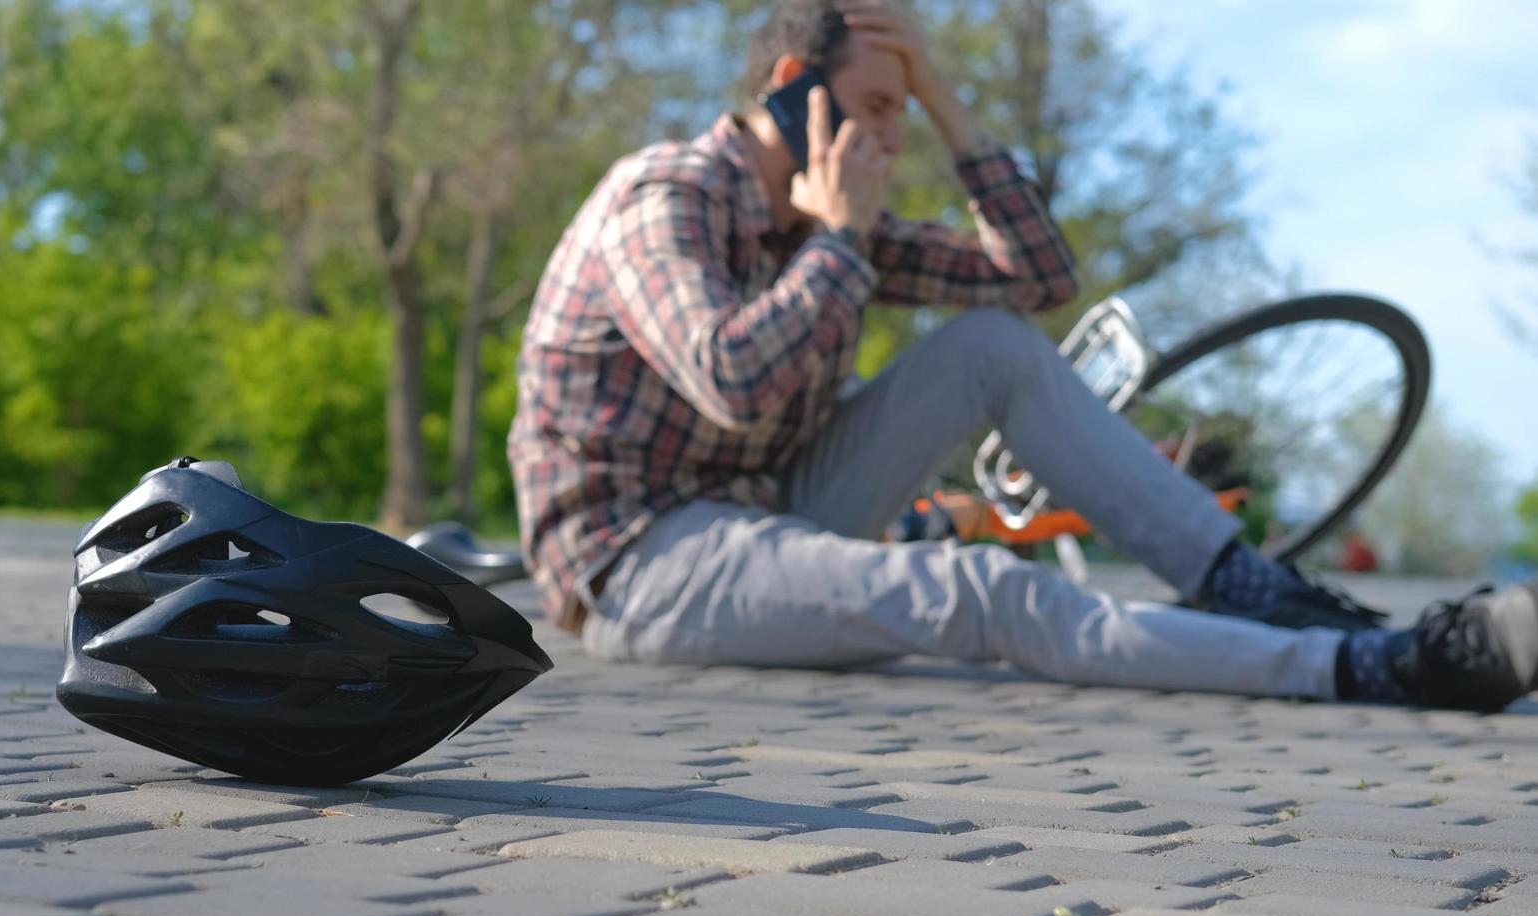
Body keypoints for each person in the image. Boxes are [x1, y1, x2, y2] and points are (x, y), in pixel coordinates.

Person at [506, 0, 1537, 711]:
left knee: (992, 343)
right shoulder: (663, 197)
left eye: (900, 118)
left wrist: (943, 98)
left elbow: (1037, 280)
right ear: (790, 90)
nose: (888, 139)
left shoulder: (828, 216)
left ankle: (1250, 587)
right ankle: (1364, 665)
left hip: (769, 504)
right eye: (873, 109)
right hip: (638, 563)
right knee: (979, 591)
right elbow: (729, 378)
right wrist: (841, 242)